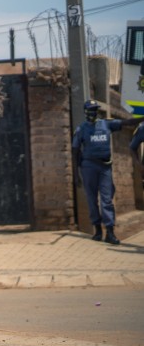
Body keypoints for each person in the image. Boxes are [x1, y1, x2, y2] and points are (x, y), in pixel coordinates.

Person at [72, 100, 124, 245]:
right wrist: (76, 175)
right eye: (91, 110)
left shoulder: (106, 124)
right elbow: (75, 151)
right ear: (86, 112)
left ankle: (110, 232)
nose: (94, 112)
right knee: (91, 199)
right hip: (88, 167)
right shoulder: (81, 129)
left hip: (105, 167)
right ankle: (97, 230)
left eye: (96, 109)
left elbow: (126, 123)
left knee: (106, 200)